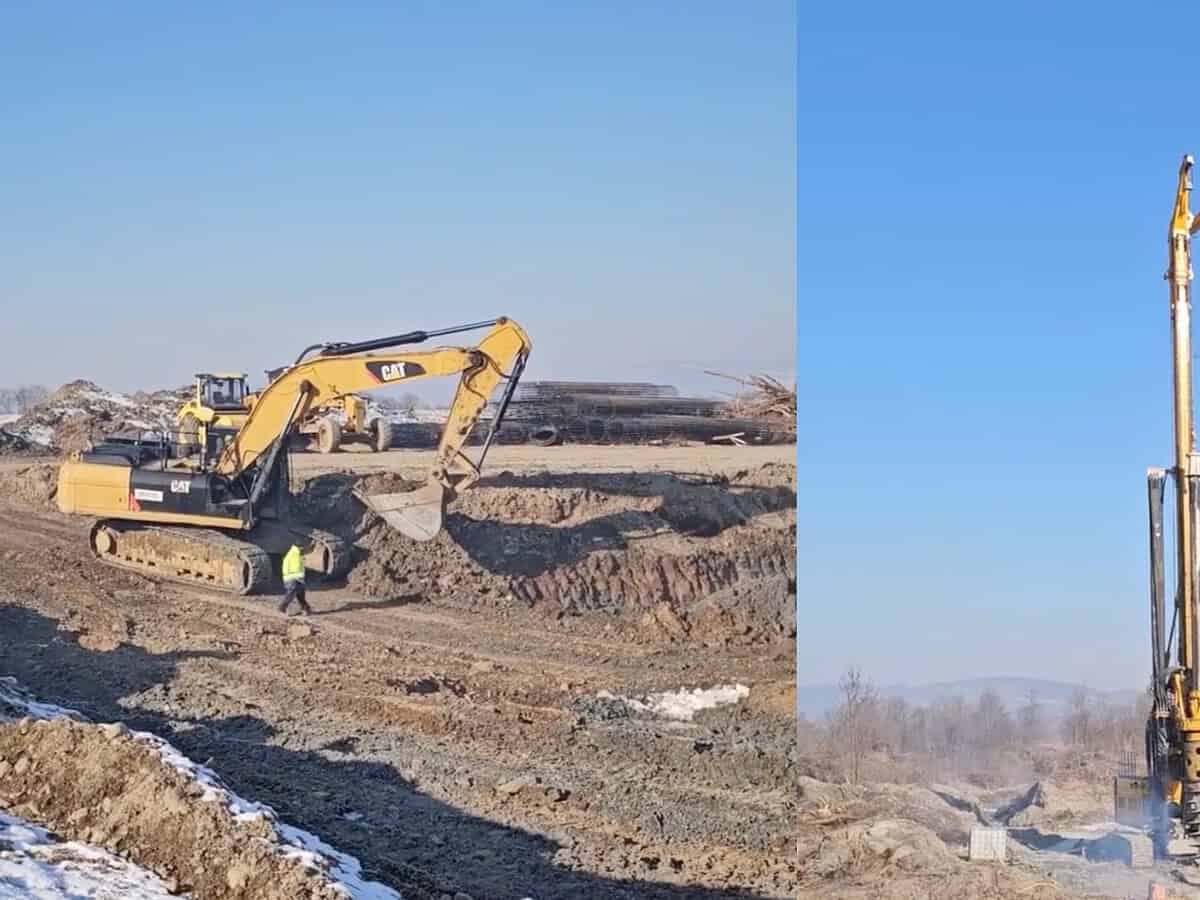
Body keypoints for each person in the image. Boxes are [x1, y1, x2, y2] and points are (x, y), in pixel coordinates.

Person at [278, 543, 312, 616]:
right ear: (300, 548)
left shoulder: (295, 554)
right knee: (291, 594)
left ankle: (306, 609)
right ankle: (282, 608)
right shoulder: (294, 555)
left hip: (295, 578)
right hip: (293, 579)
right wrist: (299, 578)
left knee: (300, 595)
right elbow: (296, 569)